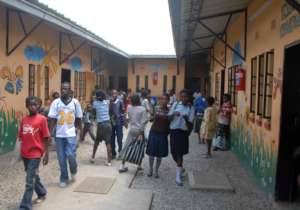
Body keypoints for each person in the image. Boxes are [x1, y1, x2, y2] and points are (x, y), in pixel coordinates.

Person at [48, 82, 83, 188]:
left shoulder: (75, 103)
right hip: (59, 135)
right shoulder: (56, 103)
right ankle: (64, 177)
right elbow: (52, 119)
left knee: (71, 155)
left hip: (71, 134)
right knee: (61, 158)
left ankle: (73, 170)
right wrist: (49, 133)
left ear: (69, 90)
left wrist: (80, 131)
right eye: (62, 89)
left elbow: (79, 118)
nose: (64, 90)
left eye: (66, 89)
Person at [18, 96, 50, 210]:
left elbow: (46, 138)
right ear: (27, 106)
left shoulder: (42, 119)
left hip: (36, 154)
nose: (33, 107)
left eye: (35, 104)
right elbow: (22, 137)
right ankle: (41, 192)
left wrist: (46, 154)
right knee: (33, 176)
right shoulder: (24, 120)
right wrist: (20, 154)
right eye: (30, 105)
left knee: (29, 181)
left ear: (38, 106)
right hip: (25, 154)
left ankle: (25, 206)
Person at [168, 89, 194, 186]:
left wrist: (187, 119)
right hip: (174, 131)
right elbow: (168, 118)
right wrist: (173, 114)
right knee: (173, 153)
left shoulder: (191, 108)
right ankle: (181, 168)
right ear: (180, 97)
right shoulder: (175, 105)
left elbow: (190, 124)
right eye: (182, 96)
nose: (184, 98)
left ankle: (178, 176)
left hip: (183, 132)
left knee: (180, 154)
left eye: (185, 97)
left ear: (188, 98)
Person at [119, 95, 148, 173]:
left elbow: (127, 117)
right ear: (138, 100)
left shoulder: (129, 107)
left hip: (132, 129)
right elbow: (143, 122)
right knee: (140, 148)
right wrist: (142, 134)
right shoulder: (143, 109)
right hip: (139, 131)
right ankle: (139, 165)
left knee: (127, 146)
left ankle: (122, 165)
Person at [146, 94, 170, 178]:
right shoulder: (156, 108)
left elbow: (170, 123)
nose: (163, 101)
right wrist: (152, 115)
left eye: (165, 99)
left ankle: (156, 170)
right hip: (154, 133)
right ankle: (150, 169)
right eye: (162, 99)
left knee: (159, 155)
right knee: (151, 153)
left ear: (168, 101)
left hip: (163, 134)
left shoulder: (169, 111)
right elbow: (151, 119)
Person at [91, 90, 113, 166]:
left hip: (101, 125)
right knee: (108, 142)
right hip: (108, 123)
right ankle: (109, 161)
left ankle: (93, 157)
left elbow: (93, 113)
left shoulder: (95, 103)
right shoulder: (107, 102)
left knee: (97, 141)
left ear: (97, 97)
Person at [110, 89, 125, 159]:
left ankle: (120, 152)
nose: (114, 95)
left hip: (119, 123)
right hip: (112, 123)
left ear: (117, 94)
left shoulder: (120, 101)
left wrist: (124, 121)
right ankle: (113, 153)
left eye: (115, 93)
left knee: (119, 138)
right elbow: (109, 112)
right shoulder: (110, 102)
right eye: (113, 93)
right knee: (112, 138)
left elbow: (123, 111)